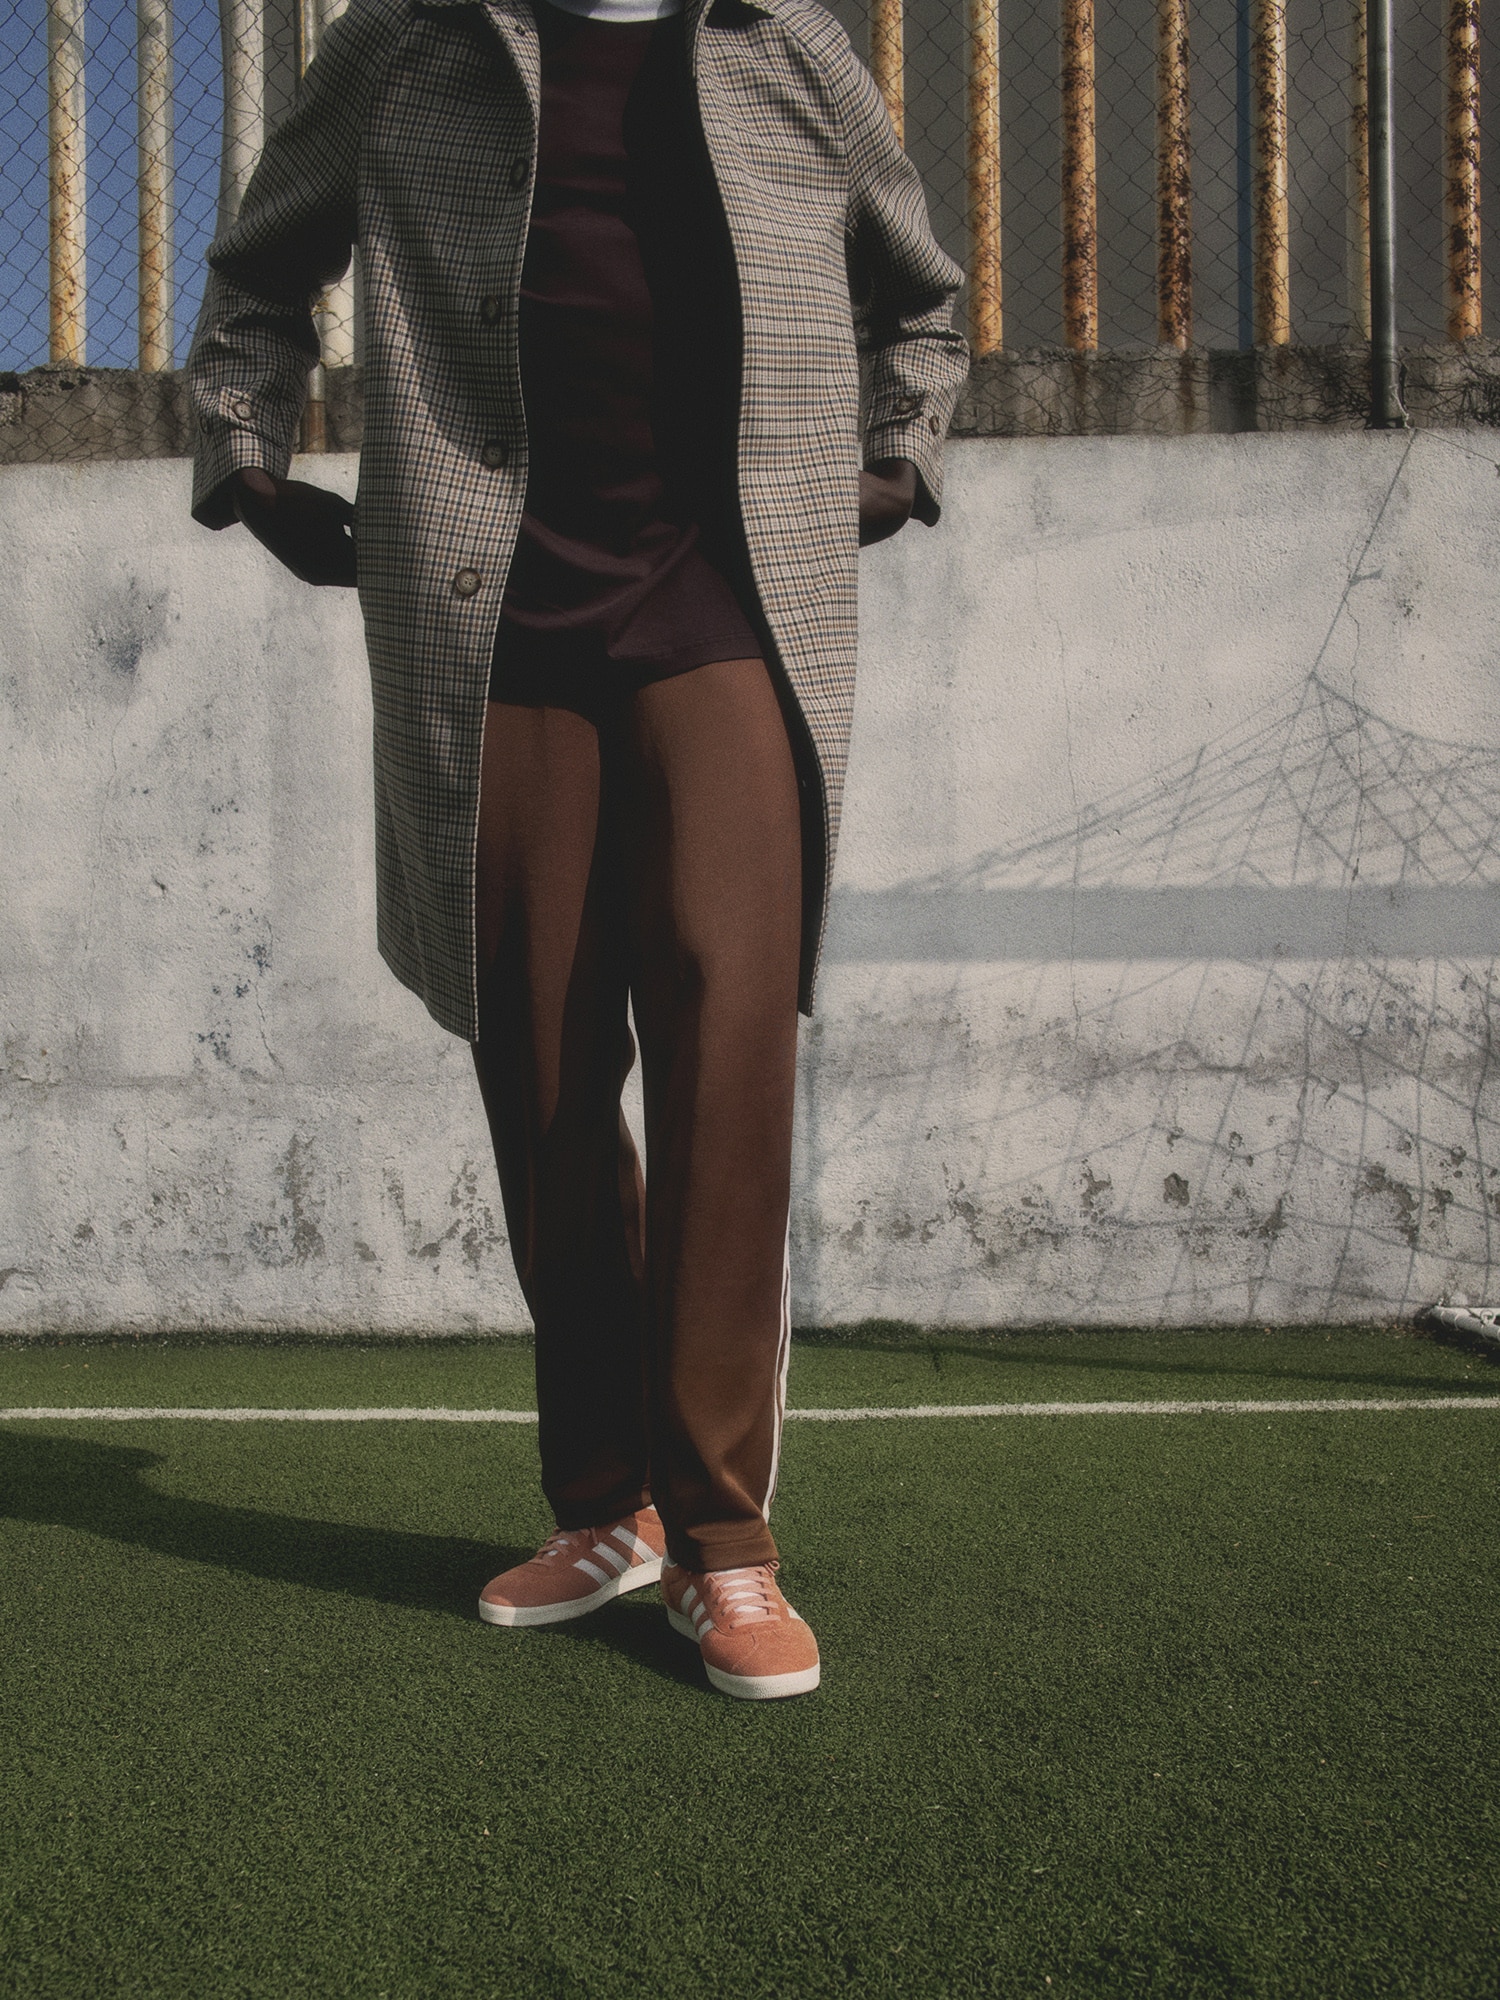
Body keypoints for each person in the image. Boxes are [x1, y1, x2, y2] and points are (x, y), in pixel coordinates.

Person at [188, 0, 967, 1700]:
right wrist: (248, 459)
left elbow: (920, 294)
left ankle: (726, 1546)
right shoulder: (411, 44)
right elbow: (258, 268)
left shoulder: (782, 42)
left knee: (725, 1034)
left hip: (729, 610)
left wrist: (897, 458)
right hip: (493, 624)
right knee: (540, 1060)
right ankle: (605, 1507)